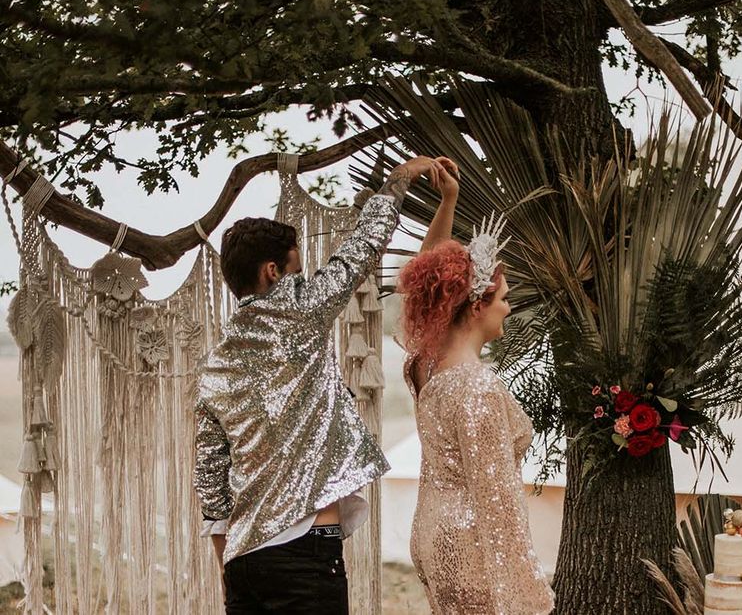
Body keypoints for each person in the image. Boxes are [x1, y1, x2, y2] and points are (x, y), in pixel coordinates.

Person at [193, 154, 457, 614]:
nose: (303, 279)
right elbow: (362, 249)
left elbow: (211, 481)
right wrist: (401, 177)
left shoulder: (214, 367)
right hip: (304, 553)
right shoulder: (298, 311)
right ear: (272, 272)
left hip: (241, 563)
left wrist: (231, 568)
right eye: (295, 270)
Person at [398, 166, 555, 614]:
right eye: (504, 296)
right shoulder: (475, 386)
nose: (508, 307)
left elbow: (424, 290)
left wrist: (448, 203)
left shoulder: (424, 364)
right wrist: (531, 597)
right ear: (478, 303)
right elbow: (499, 502)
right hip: (472, 550)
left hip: (432, 535)